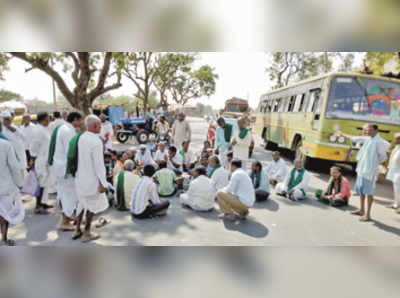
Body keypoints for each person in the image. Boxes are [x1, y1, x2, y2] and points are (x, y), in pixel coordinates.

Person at [73, 115, 109, 243]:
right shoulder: (95, 141)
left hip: (80, 177)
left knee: (82, 204)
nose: (101, 127)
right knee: (91, 207)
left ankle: (77, 229)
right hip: (91, 179)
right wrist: (102, 182)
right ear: (94, 126)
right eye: (99, 125)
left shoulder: (82, 137)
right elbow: (99, 165)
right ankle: (87, 232)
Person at [345, 124, 389, 222]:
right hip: (362, 169)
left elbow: (383, 157)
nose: (367, 132)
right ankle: (361, 210)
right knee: (361, 191)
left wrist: (376, 164)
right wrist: (343, 135)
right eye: (366, 130)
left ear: (376, 130)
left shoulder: (379, 142)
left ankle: (368, 215)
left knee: (369, 193)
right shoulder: (369, 140)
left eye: (369, 130)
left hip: (370, 171)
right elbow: (356, 138)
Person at [51, 112, 83, 231]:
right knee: (68, 194)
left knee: (64, 193)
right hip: (65, 168)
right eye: (80, 120)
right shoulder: (68, 131)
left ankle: (67, 217)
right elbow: (71, 152)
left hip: (60, 167)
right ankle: (64, 221)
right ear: (75, 120)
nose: (81, 123)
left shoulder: (65, 128)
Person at [0, 119, 25, 246]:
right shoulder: (5, 144)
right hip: (4, 187)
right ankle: (4, 238)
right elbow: (14, 167)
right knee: (5, 213)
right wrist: (19, 183)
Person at [30, 112, 53, 214]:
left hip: (45, 160)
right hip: (40, 160)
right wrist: (33, 158)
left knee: (45, 183)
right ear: (44, 119)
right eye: (48, 118)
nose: (49, 120)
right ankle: (38, 206)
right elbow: (34, 146)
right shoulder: (38, 130)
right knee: (40, 184)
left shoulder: (44, 129)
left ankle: (43, 202)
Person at [386, 132, 400, 212]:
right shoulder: (396, 147)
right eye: (396, 138)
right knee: (396, 188)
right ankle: (396, 204)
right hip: (395, 171)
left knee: (398, 189)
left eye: (398, 138)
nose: (396, 140)